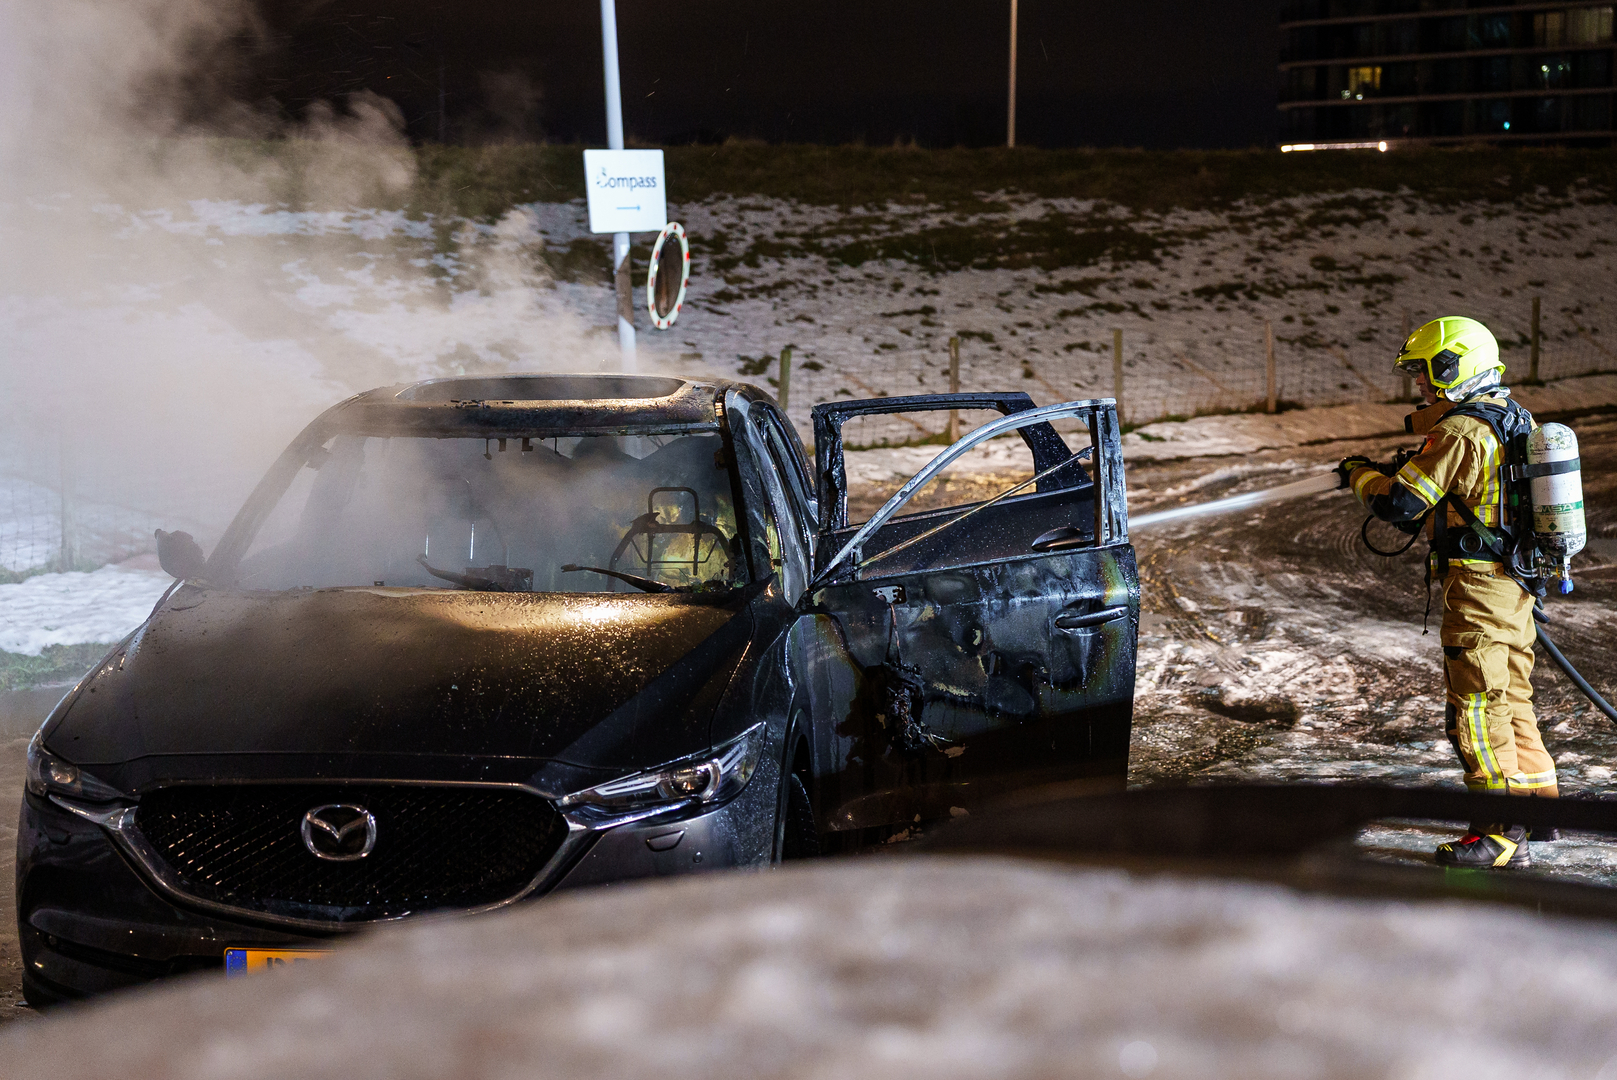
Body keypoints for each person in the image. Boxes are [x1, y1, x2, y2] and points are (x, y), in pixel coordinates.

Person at [1336, 316, 1555, 869]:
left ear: (1454, 365)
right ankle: (1541, 809)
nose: (1420, 384)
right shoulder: (1511, 416)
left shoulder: (1460, 431)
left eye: (1426, 371)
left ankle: (1498, 834)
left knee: (1477, 712)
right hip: (1514, 583)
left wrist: (1360, 474)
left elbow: (1400, 505)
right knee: (1513, 700)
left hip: (1480, 590)